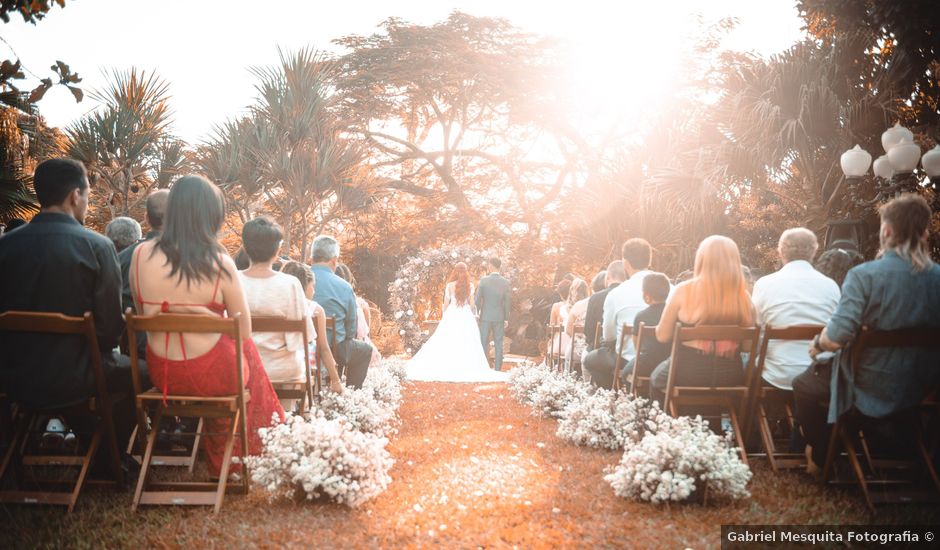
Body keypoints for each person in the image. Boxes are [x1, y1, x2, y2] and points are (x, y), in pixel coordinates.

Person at [130, 175, 284, 477]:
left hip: (163, 374)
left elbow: (141, 315)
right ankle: (242, 455)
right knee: (245, 352)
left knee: (236, 355)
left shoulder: (139, 256)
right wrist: (213, 320)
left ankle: (232, 455)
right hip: (213, 374)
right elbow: (244, 331)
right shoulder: (219, 260)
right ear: (210, 215)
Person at [0, 158, 134, 456]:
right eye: (87, 195)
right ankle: (108, 457)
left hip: (12, 377)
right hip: (79, 376)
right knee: (141, 373)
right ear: (75, 195)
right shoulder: (97, 246)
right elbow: (110, 331)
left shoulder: (5, 247)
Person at [797, 194, 940, 469]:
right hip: (924, 386)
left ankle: (824, 454)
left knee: (804, 385)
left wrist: (818, 345)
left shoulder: (865, 275)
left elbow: (837, 336)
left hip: (868, 382)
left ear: (886, 231)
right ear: (924, 232)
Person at [650, 235, 755, 401]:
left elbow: (662, 336)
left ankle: (670, 424)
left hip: (687, 372)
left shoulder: (683, 291)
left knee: (656, 380)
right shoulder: (744, 297)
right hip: (729, 376)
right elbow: (748, 347)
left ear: (701, 259)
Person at [238, 217, 316, 409]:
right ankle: (280, 424)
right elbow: (302, 337)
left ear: (245, 248)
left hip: (241, 367)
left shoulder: (233, 281)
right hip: (281, 369)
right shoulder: (290, 283)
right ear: (277, 250)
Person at [752, 228, 840, 390]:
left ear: (781, 251)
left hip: (774, 374)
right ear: (814, 250)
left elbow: (755, 330)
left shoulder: (764, 285)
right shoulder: (831, 286)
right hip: (818, 374)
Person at [408, 262, 507, 382]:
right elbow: (471, 304)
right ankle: (464, 364)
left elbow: (445, 303)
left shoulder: (449, 285)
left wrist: (445, 316)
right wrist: (473, 312)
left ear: (455, 271)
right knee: (466, 339)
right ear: (466, 272)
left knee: (447, 338)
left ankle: (447, 364)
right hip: (465, 314)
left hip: (452, 313)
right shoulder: (470, 285)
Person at [583, 238, 662, 387]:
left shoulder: (616, 294)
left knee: (590, 360)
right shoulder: (671, 288)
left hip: (626, 360)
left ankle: (611, 396)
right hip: (663, 359)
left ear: (625, 263)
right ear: (649, 259)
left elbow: (609, 336)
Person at [309, 235, 372, 388]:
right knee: (365, 351)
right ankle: (352, 393)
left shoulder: (297, 280)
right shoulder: (344, 287)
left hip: (302, 347)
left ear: (311, 259)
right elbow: (351, 328)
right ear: (334, 260)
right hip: (335, 348)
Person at [280, 260, 344, 394]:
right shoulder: (314, 309)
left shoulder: (275, 306)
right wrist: (336, 380)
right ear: (304, 285)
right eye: (312, 286)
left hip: (273, 365)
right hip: (301, 370)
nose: (314, 291)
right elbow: (324, 349)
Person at [619, 272, 671, 390]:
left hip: (648, 361)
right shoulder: (672, 314)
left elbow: (637, 346)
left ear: (647, 297)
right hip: (670, 361)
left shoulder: (641, 316)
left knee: (626, 373)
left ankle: (636, 400)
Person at [334, 263, 382, 369]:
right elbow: (365, 332)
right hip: (352, 347)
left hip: (331, 348)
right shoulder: (359, 304)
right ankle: (355, 385)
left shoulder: (328, 303)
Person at [476, 257, 512, 372]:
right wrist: (506, 318)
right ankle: (497, 369)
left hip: (485, 316)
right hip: (499, 316)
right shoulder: (505, 282)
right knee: (498, 342)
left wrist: (477, 313)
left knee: (483, 341)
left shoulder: (483, 280)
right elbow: (507, 302)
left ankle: (483, 366)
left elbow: (477, 300)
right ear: (499, 267)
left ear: (491, 266)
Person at [584, 261, 625, 353]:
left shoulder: (595, 298)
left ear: (608, 277)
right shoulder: (632, 296)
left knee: (585, 359)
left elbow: (588, 331)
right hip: (627, 353)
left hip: (600, 351)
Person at [563, 278, 590, 372]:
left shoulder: (576, 306)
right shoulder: (594, 303)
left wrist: (577, 340)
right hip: (589, 350)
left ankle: (567, 378)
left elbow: (568, 329)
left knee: (568, 354)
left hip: (574, 350)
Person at [548, 278, 572, 360]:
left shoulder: (556, 306)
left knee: (551, 343)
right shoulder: (576, 306)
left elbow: (552, 327)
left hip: (558, 345)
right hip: (573, 345)